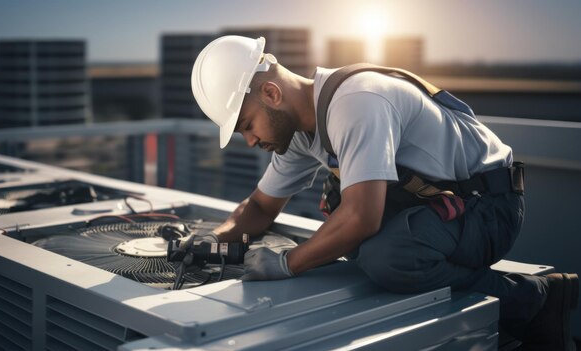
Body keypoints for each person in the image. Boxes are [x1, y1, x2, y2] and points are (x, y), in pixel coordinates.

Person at [191, 35, 578, 350]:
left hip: (491, 208)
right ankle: (442, 267)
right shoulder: (299, 133)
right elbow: (260, 206)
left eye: (246, 125)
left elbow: (362, 217)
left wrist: (287, 263)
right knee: (348, 229)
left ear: (272, 94)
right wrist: (213, 238)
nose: (250, 140)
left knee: (387, 256)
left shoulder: (357, 102)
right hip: (442, 207)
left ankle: (536, 299)